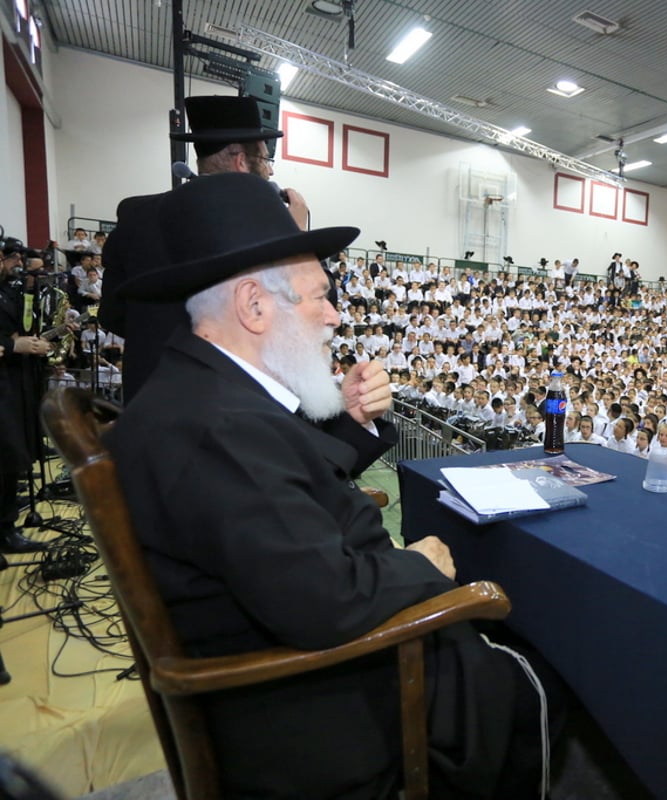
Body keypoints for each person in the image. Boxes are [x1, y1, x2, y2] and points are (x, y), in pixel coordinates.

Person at [108, 174, 553, 799]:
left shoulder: (205, 392)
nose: (335, 315)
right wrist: (418, 566)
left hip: (295, 675)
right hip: (321, 709)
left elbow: (284, 486)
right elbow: (329, 603)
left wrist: (354, 422)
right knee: (529, 675)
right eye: (319, 296)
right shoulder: (219, 428)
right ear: (253, 306)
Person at [101, 95, 309, 399]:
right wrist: (296, 235)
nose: (271, 172)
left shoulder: (134, 214)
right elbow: (305, 315)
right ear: (241, 161)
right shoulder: (265, 222)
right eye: (265, 160)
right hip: (228, 414)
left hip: (147, 407)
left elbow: (112, 315)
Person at [0, 242, 54, 553]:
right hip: (5, 380)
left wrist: (33, 342)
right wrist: (13, 346)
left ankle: (6, 527)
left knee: (12, 458)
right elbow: (10, 340)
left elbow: (20, 328)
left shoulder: (11, 289)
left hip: (16, 380)